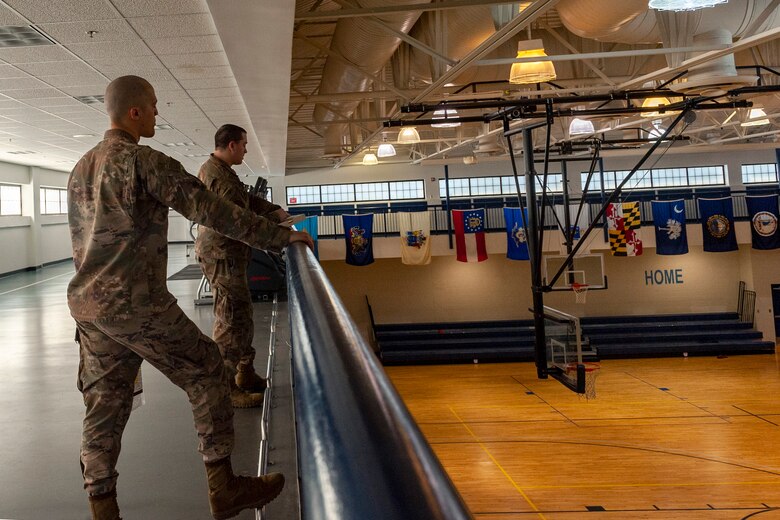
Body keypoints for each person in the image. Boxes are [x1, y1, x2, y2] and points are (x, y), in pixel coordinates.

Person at [67, 75, 313, 520]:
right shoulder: (145, 162)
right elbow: (211, 210)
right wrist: (280, 238)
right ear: (135, 112)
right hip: (134, 304)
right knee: (207, 370)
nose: (159, 114)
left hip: (90, 308)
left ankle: (102, 505)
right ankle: (223, 487)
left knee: (104, 406)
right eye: (155, 107)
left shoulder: (81, 167)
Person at [196, 124, 288, 408]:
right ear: (232, 144)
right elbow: (236, 220)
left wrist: (273, 211)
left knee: (242, 315)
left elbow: (246, 201)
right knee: (229, 322)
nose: (246, 149)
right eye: (244, 144)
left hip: (230, 255)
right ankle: (225, 389)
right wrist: (283, 236)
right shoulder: (218, 177)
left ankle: (244, 374)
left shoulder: (221, 171)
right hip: (222, 256)